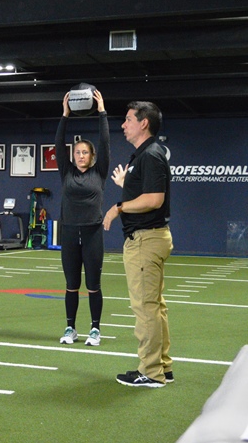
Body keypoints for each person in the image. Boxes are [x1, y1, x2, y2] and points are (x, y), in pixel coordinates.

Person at [103, 100, 173, 388]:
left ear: (144, 123)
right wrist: (126, 185)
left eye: (128, 119)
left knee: (145, 308)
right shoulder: (144, 155)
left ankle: (152, 373)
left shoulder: (151, 155)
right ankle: (161, 367)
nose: (123, 125)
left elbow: (153, 200)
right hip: (147, 238)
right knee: (154, 307)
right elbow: (145, 192)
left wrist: (118, 207)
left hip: (145, 240)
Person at [56, 90, 110, 347]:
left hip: (92, 233)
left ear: (92, 156)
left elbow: (105, 142)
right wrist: (65, 115)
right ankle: (70, 328)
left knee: (93, 285)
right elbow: (58, 143)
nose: (80, 155)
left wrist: (102, 112)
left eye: (85, 152)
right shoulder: (66, 172)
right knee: (71, 284)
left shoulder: (99, 173)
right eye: (77, 152)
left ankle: (95, 330)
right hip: (68, 232)